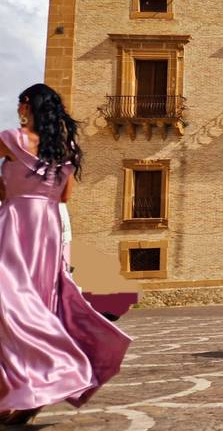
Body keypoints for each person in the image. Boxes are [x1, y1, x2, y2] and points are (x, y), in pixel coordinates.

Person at [0, 84, 131, 425]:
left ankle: (54, 372)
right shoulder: (65, 148)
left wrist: (9, 187)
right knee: (36, 304)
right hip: (48, 228)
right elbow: (64, 197)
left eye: (20, 105)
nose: (18, 111)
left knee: (11, 306)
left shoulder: (10, 139)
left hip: (16, 224)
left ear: (27, 105)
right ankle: (25, 390)